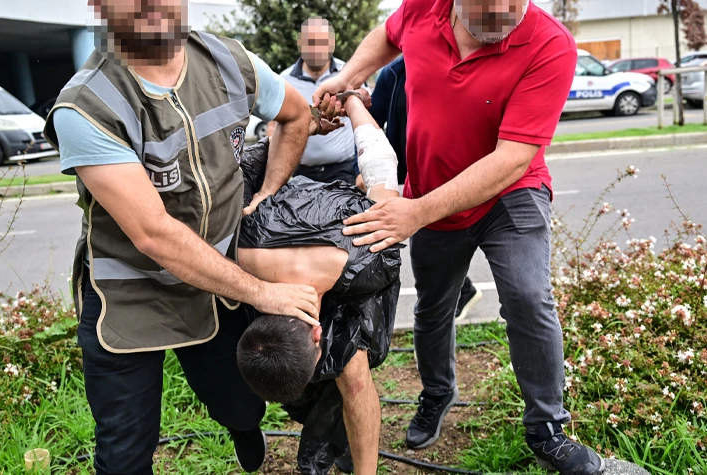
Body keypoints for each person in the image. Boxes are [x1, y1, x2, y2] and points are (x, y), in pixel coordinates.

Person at [312, 1, 606, 474]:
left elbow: (512, 158)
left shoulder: (550, 44)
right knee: (432, 307)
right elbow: (388, 35)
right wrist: (346, 80)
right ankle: (437, 392)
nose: (503, 17)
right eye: (488, 8)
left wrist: (414, 213)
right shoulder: (423, 7)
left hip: (510, 192)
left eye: (513, 5)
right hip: (433, 192)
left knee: (530, 297)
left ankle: (547, 429)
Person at [42, 1, 322, 474]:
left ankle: (243, 428)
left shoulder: (230, 62)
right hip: (128, 296)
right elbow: (154, 234)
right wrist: (262, 292)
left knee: (239, 404)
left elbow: (297, 115)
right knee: (123, 453)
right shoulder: (86, 107)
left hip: (217, 287)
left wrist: (267, 195)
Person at [236, 90, 400, 475]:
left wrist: (352, 100)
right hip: (280, 242)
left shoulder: (369, 248)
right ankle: (328, 434)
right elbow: (252, 157)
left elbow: (380, 164)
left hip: (340, 243)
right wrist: (312, 118)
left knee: (353, 370)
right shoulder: (228, 257)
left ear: (316, 334)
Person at [370, 56, 482, 321]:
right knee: (424, 240)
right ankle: (459, 292)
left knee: (439, 236)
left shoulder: (450, 64)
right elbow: (375, 120)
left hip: (448, 171)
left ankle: (461, 291)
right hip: (409, 171)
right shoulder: (393, 73)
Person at [274, 17, 359, 185]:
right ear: (300, 43)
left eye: (322, 42)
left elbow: (365, 123)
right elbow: (274, 128)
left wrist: (363, 170)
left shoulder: (349, 75)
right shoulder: (283, 81)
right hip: (300, 174)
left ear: (332, 43)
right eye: (310, 42)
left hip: (344, 171)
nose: (316, 49)